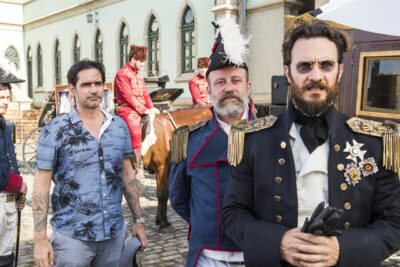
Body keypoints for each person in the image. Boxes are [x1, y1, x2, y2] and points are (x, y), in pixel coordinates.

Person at [222, 20, 400, 267]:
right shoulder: (255, 140)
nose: (316, 76)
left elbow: (394, 222)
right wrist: (278, 242)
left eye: (326, 65)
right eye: (305, 66)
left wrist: (343, 248)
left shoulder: (373, 142)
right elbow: (232, 214)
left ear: (339, 70)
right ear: (287, 72)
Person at [32, 59, 148, 267]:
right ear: (72, 89)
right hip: (72, 239)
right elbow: (41, 185)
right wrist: (40, 238)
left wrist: (138, 221)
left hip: (113, 235)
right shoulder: (55, 130)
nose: (94, 90)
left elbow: (128, 177)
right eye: (86, 85)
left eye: (98, 83)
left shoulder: (119, 127)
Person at [169, 17, 254, 267]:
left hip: (257, 253)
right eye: (220, 82)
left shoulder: (271, 135)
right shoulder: (188, 140)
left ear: (248, 86)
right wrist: (207, 222)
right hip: (208, 255)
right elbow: (179, 199)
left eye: (236, 81)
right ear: (209, 90)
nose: (229, 88)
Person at [114, 45, 159, 181]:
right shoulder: (122, 74)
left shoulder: (139, 75)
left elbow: (145, 93)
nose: (143, 64)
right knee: (135, 129)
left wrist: (151, 107)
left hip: (140, 108)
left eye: (144, 61)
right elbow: (129, 97)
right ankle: (138, 167)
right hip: (126, 109)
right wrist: (144, 110)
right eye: (141, 61)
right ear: (133, 59)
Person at [0, 66, 26, 267]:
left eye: (7, 97)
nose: (5, 102)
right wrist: (20, 186)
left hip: (8, 199)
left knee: (6, 252)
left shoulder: (6, 126)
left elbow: (11, 161)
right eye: (1, 97)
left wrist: (19, 194)